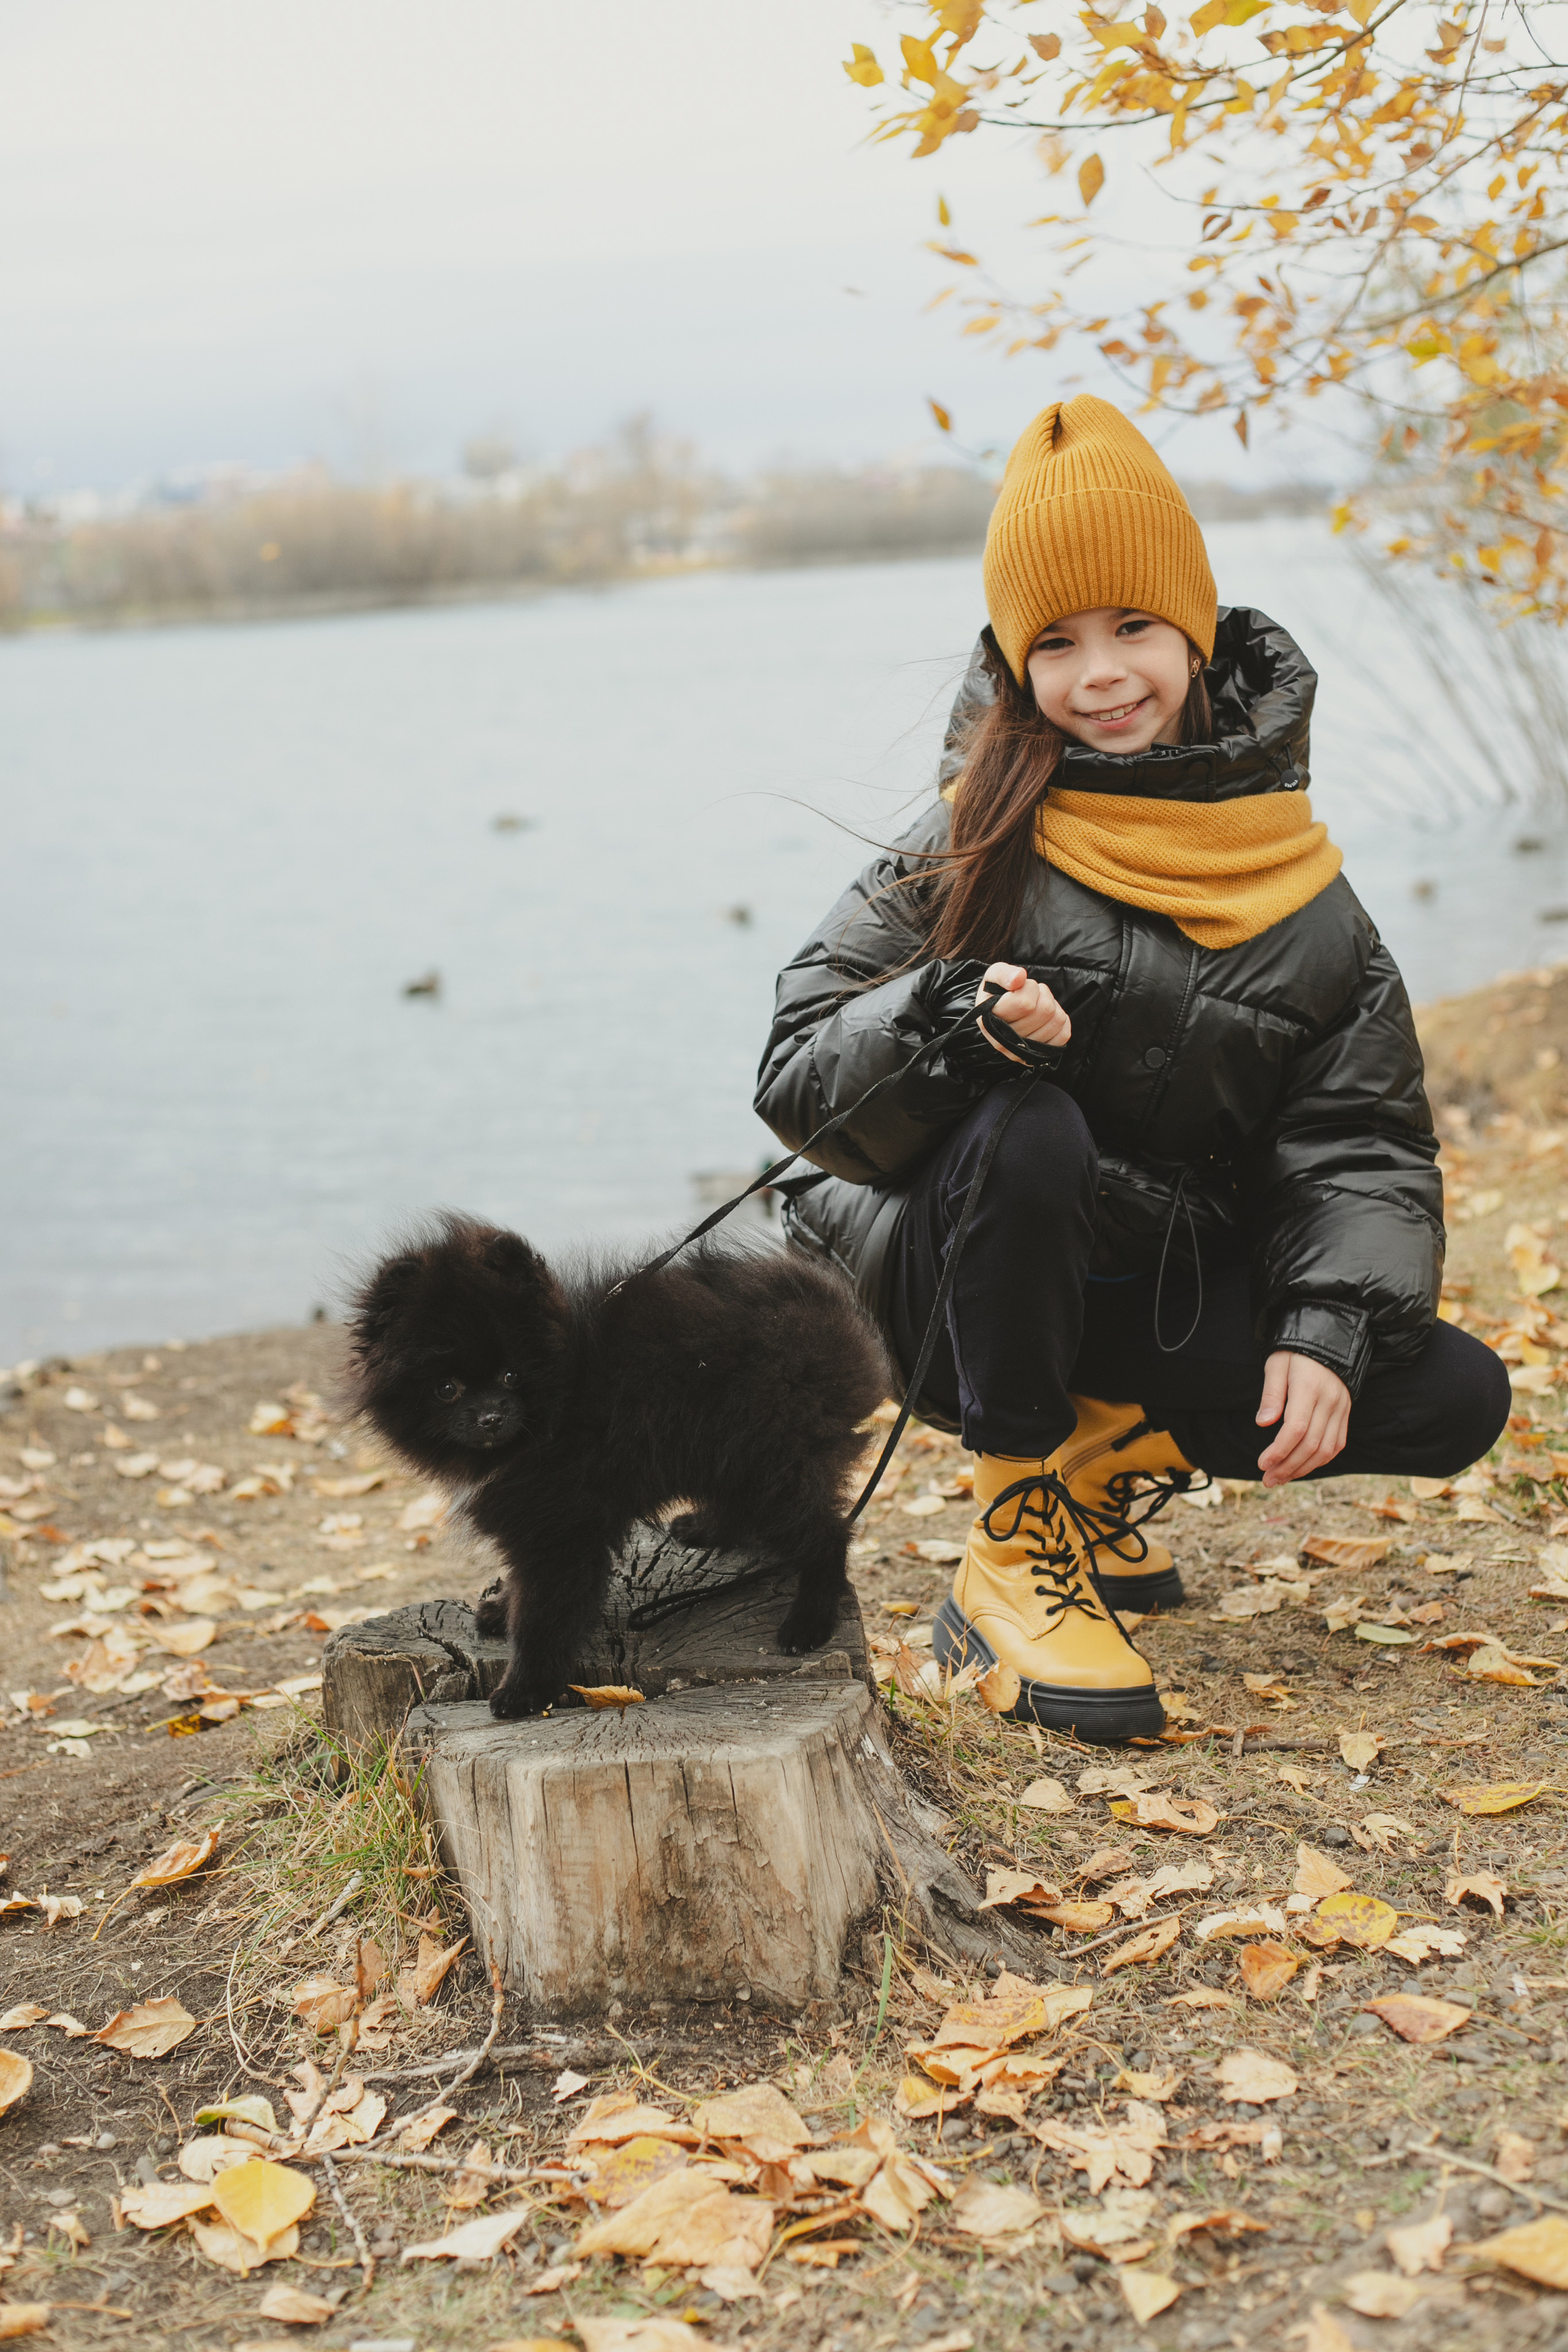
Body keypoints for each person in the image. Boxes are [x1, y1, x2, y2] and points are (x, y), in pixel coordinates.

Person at [754, 394, 1510, 1744]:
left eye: (1132, 630)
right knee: (1029, 1123)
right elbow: (798, 1073)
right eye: (1054, 643)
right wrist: (952, 1025)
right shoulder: (965, 843)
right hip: (937, 1280)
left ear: (1194, 634)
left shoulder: (1306, 898)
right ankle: (1010, 1537)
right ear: (1012, 662)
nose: (1098, 673)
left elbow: (1357, 1145)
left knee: (1449, 1393)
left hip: (1135, 1282)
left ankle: (1099, 1453)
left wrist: (1325, 1328)